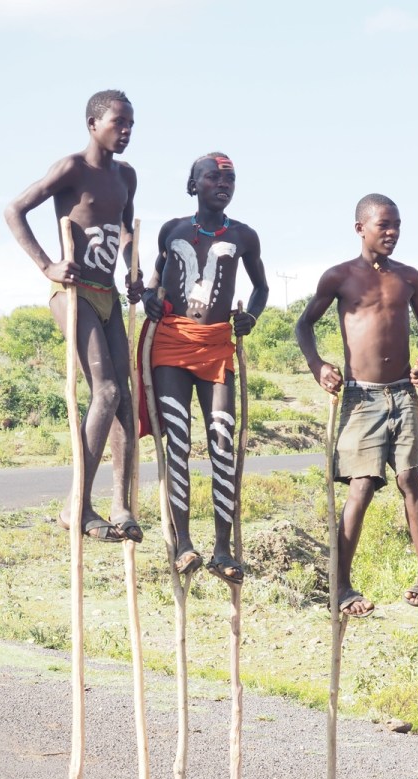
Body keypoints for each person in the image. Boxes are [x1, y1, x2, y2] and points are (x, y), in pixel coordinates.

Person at [4, 89, 144, 543]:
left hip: (108, 295)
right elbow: (14, 209)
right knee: (102, 392)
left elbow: (125, 230)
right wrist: (47, 264)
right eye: (117, 123)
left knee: (124, 396)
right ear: (92, 124)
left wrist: (134, 270)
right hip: (73, 293)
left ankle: (121, 505)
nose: (125, 132)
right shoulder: (71, 169)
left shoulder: (127, 176)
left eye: (130, 125)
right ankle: (76, 505)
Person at [295, 193, 418, 618]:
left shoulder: (409, 277)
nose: (392, 232)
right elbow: (304, 323)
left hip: (402, 393)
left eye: (397, 225)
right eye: (383, 225)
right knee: (360, 488)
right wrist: (318, 365)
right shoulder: (339, 277)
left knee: (410, 479)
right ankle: (341, 587)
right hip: (360, 396)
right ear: (361, 228)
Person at [140, 152, 268, 581]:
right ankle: (183, 546)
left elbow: (261, 287)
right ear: (192, 185)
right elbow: (156, 281)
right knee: (177, 441)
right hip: (171, 345)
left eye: (230, 178)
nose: (222, 182)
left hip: (216, 347)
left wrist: (250, 315)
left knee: (221, 441)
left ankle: (222, 550)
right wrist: (148, 297)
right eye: (212, 176)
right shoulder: (171, 230)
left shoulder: (244, 236)